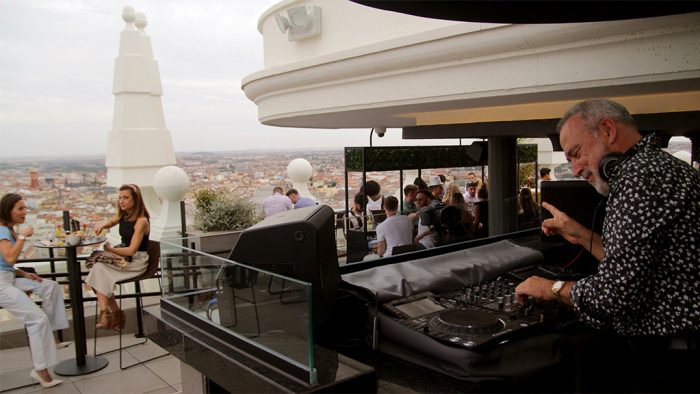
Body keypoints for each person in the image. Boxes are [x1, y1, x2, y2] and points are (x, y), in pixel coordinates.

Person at [515, 98, 700, 392]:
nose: (575, 169)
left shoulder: (640, 179)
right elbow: (642, 265)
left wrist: (549, 288)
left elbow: (613, 295)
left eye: (576, 154)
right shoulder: (661, 167)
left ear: (608, 130)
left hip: (674, 361)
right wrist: (578, 234)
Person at [0, 193, 67, 388]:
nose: (24, 212)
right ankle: (41, 370)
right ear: (8, 210)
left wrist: (24, 274)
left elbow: (6, 264)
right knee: (37, 319)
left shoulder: (8, 230)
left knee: (49, 286)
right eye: (20, 208)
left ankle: (54, 335)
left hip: (9, 278)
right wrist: (23, 236)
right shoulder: (4, 232)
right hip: (2, 285)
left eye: (24, 208)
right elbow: (10, 258)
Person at [86, 184, 150, 331]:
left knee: (97, 270)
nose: (122, 201)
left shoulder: (141, 221)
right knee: (97, 268)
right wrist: (102, 225)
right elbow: (112, 221)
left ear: (136, 199)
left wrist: (110, 249)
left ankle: (110, 315)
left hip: (136, 262)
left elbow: (132, 251)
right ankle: (111, 314)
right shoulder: (124, 215)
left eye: (126, 197)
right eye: (120, 197)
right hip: (124, 259)